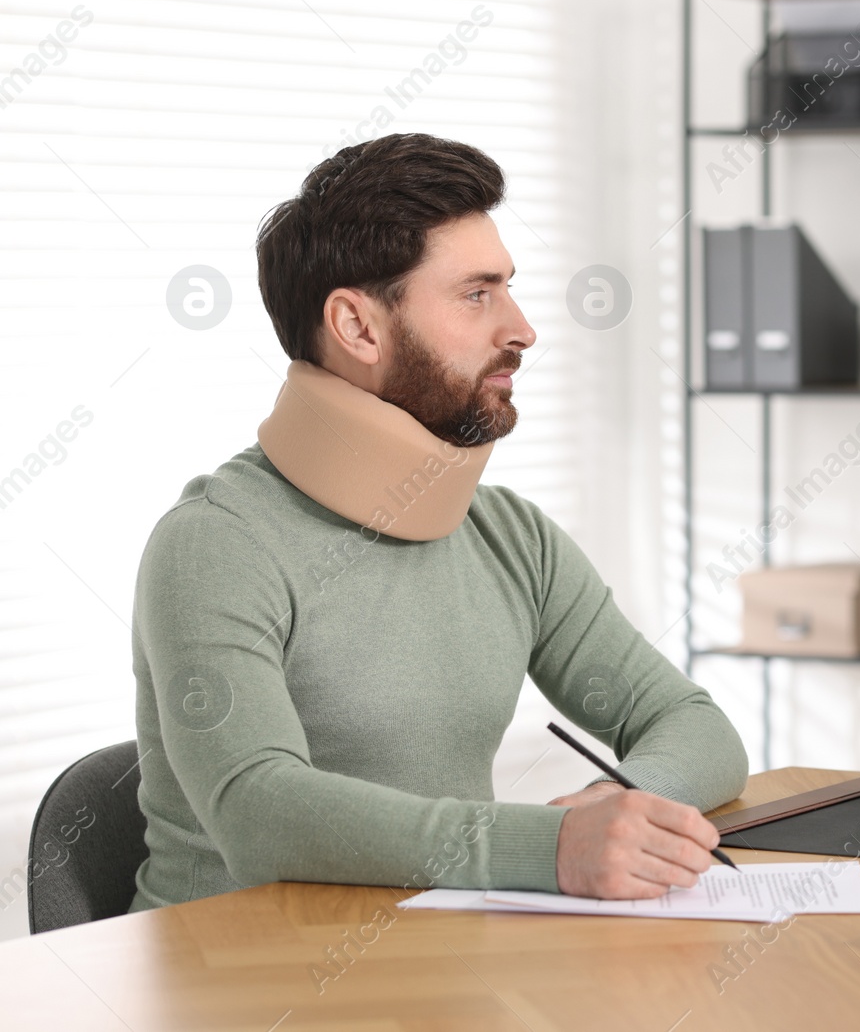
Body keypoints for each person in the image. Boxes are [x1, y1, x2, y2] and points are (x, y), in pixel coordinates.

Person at [129, 133, 747, 911]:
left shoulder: (509, 537)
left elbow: (694, 725)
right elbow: (261, 812)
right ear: (357, 328)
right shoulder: (215, 545)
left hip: (430, 963)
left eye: (509, 289)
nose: (523, 328)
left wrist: (617, 811)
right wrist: (542, 848)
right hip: (225, 985)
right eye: (476, 293)